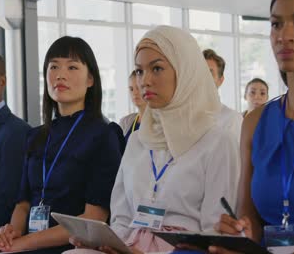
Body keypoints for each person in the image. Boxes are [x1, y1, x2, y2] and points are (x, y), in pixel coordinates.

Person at [66, 26, 240, 254]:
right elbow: (122, 217)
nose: (144, 80)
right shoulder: (139, 139)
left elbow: (215, 236)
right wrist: (103, 241)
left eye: (156, 68)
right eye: (139, 71)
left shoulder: (217, 141)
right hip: (130, 246)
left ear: (185, 71)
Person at [0, 36, 124, 254]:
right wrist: (10, 234)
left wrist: (20, 244)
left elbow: (94, 218)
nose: (60, 75)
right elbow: (23, 204)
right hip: (27, 243)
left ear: (90, 79)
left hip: (72, 247)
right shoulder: (36, 135)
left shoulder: (104, 134)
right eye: (54, 66)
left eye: (72, 67)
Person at [211, 0, 294, 253]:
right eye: (276, 24)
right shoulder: (255, 122)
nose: (285, 35)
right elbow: (251, 220)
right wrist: (242, 234)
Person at [203, 49, 243, 144]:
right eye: (199, 71)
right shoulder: (183, 116)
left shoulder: (232, 119)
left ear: (220, 80)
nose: (202, 77)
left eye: (209, 73)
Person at [119, 70, 147, 142]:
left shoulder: (159, 122)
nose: (134, 93)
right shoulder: (125, 122)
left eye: (138, 87)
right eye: (131, 89)